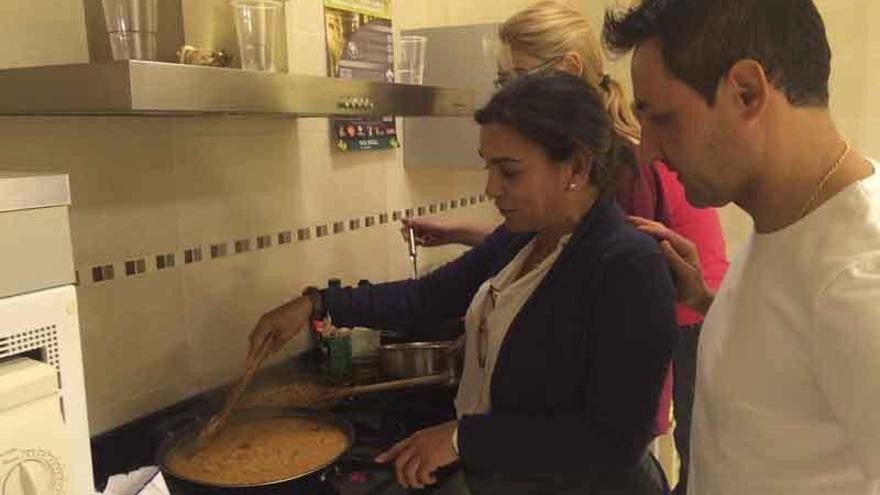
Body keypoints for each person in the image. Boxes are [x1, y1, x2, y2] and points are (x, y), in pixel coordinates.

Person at [248, 72, 678, 494]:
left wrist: (461, 439)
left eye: (509, 172)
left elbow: (611, 441)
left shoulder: (628, 268)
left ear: (577, 168)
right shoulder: (523, 239)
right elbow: (426, 298)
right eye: (489, 167)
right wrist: (317, 304)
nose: (491, 188)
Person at [401, 2, 729, 491]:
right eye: (502, 78)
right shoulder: (581, 146)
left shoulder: (614, 157)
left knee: (692, 450)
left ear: (570, 70)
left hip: (689, 303)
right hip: (678, 294)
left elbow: (610, 264)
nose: (509, 90)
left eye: (517, 75)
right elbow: (554, 238)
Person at [602, 1, 880, 494]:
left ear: (746, 92)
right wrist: (708, 300)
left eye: (663, 119)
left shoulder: (859, 280)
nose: (646, 150)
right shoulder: (791, 218)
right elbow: (799, 366)